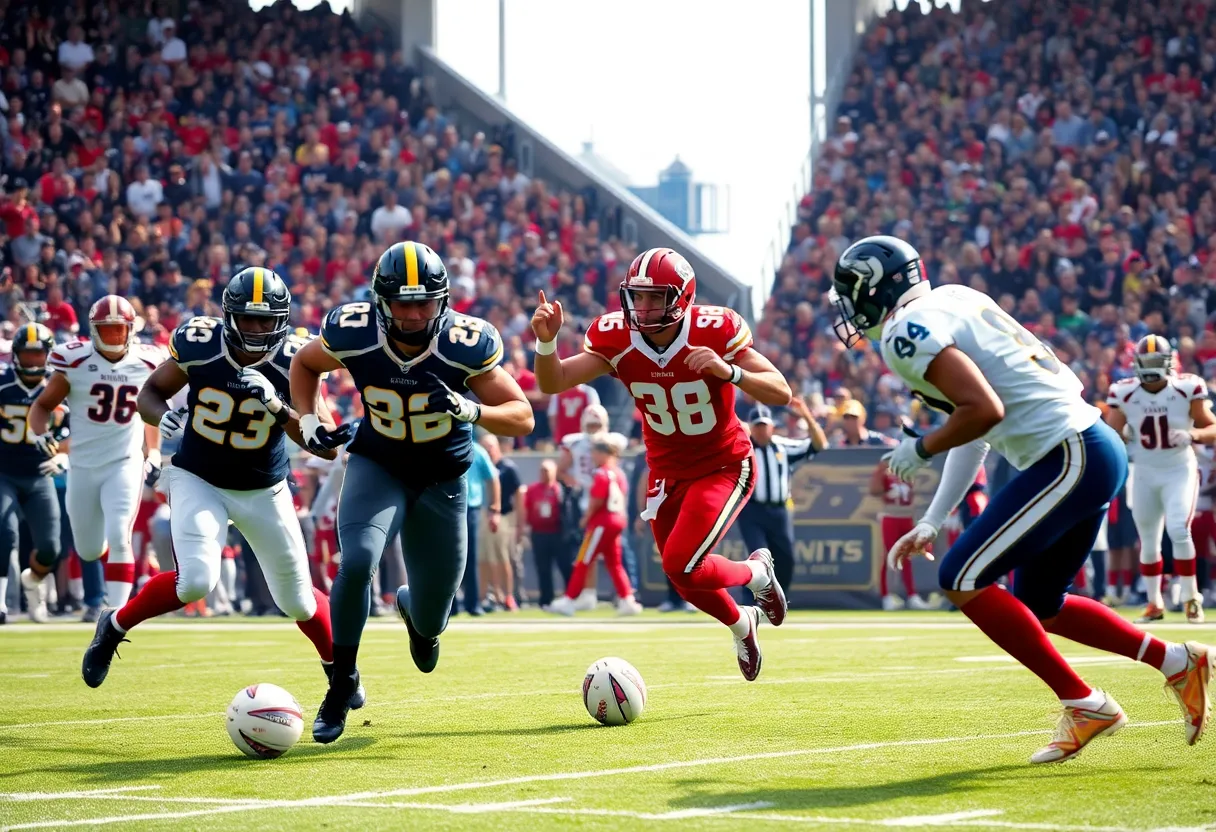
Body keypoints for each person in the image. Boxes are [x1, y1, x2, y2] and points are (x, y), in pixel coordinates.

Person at [834, 234, 1214, 763]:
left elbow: (981, 412)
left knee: (960, 577)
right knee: (1040, 601)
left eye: (853, 292)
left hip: (1069, 454)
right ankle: (1176, 660)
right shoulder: (956, 297)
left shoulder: (904, 331)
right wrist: (934, 517)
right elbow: (976, 426)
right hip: (1086, 447)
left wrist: (919, 448)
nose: (850, 307)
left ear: (878, 288)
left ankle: (1084, 703)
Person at [290, 241, 533, 744]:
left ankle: (418, 620)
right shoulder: (354, 332)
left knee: (431, 619)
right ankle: (341, 683)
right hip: (377, 463)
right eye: (405, 303)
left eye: (426, 302)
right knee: (356, 560)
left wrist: (472, 412)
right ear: (382, 301)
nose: (417, 313)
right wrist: (311, 417)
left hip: (442, 478)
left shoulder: (462, 344)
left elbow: (522, 415)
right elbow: (304, 365)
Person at [79, 269, 346, 709]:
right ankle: (115, 624)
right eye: (249, 319)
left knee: (298, 601)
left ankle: (340, 671)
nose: (258, 329)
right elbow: (151, 392)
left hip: (263, 486)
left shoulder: (295, 359)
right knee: (196, 580)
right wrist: (158, 415)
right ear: (228, 317)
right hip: (199, 476)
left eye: (267, 320)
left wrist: (277, 406)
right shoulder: (201, 344)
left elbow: (325, 444)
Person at [532, 246, 792, 681]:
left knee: (681, 562)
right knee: (683, 576)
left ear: (683, 297)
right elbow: (553, 380)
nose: (644, 307)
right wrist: (546, 341)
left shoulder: (716, 329)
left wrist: (731, 373)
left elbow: (780, 391)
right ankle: (741, 622)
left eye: (655, 297)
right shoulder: (615, 337)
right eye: (637, 296)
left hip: (723, 464)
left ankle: (756, 572)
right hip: (666, 470)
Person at [28, 296, 166, 615]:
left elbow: (150, 410)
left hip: (124, 462)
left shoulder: (146, 361)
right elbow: (42, 406)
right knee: (89, 549)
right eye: (109, 330)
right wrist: (40, 434)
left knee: (120, 534)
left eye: (121, 330)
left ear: (131, 330)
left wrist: (154, 451)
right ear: (94, 331)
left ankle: (114, 617)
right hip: (82, 465)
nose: (116, 337)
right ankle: (108, 586)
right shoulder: (74, 361)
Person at [1105, 335, 1213, 624]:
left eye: (1156, 362)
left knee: (1179, 529)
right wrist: (1124, 434)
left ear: (1169, 363)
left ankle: (1191, 597)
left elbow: (1212, 426)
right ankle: (1154, 603)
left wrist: (1192, 435)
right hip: (1144, 471)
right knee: (1148, 541)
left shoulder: (1186, 388)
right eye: (1146, 362)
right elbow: (1110, 432)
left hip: (1179, 469)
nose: (1151, 368)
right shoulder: (1125, 392)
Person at [4, 323, 67, 623]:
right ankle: (2, 603)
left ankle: (34, 585)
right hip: (4, 472)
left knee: (51, 547)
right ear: (16, 356)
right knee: (5, 532)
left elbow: (75, 430)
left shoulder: (57, 387)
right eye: (27, 356)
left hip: (41, 474)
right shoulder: (3, 384)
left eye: (38, 355)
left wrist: (65, 456)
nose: (32, 362)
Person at [737, 400, 824, 594]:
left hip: (779, 510)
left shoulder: (782, 447)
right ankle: (749, 602)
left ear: (772, 427)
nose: (761, 430)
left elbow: (818, 445)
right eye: (757, 426)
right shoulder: (743, 449)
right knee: (757, 558)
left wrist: (808, 417)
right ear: (751, 428)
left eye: (764, 426)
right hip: (752, 510)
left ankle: (777, 600)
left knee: (786, 559)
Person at [549, 435, 641, 615]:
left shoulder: (601, 473)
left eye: (595, 453)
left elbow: (597, 500)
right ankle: (627, 599)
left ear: (603, 453)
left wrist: (586, 517)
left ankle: (569, 599)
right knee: (614, 563)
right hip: (617, 520)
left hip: (602, 522)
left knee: (583, 559)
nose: (592, 457)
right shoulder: (619, 473)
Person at [556, 403, 624, 609]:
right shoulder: (574, 443)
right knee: (604, 556)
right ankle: (619, 596)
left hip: (605, 504)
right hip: (587, 500)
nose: (594, 430)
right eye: (591, 425)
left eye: (597, 425)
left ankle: (575, 598)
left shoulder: (612, 443)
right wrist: (574, 484)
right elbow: (562, 470)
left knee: (598, 555)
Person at [871, 457, 933, 611]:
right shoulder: (885, 474)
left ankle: (912, 596)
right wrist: (880, 471)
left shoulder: (908, 475)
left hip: (906, 517)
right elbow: (874, 491)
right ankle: (886, 596)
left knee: (907, 556)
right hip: (890, 516)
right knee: (889, 555)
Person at [479, 434, 523, 610]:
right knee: (484, 558)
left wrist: (520, 524)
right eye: (485, 446)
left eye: (491, 446)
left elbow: (519, 497)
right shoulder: (480, 466)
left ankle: (508, 595)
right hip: (483, 514)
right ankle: (486, 595)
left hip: (504, 515)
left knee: (503, 558)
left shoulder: (508, 468)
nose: (489, 450)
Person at [461, 435, 501, 614]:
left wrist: (495, 507)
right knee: (447, 558)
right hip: (449, 507)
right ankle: (451, 606)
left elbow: (493, 478)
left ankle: (473, 603)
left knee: (470, 557)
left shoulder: (477, 451)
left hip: (470, 508)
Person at [523, 459, 570, 609]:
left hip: (558, 533)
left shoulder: (560, 489)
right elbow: (526, 509)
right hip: (539, 533)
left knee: (565, 566)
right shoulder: (532, 490)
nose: (545, 474)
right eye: (542, 471)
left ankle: (570, 596)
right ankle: (546, 599)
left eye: (548, 471)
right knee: (543, 568)